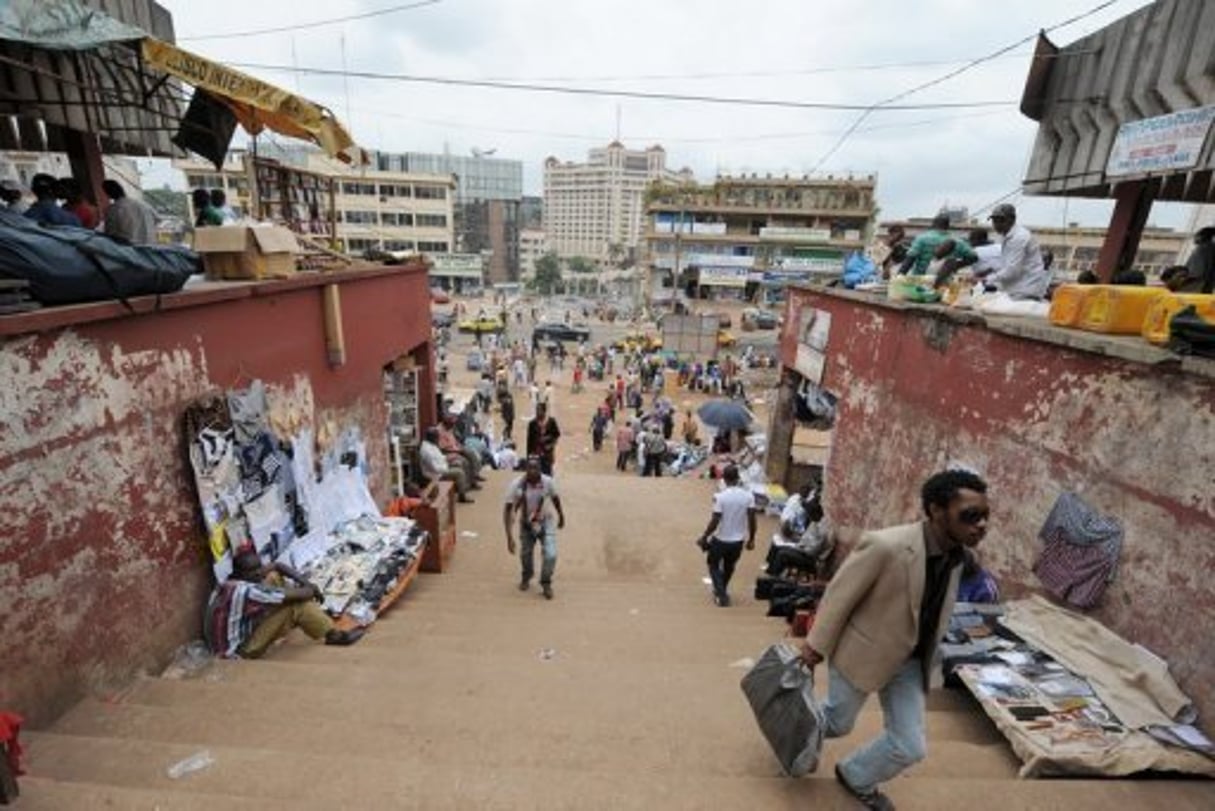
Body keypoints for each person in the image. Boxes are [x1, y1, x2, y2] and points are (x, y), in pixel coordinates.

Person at [800, 469, 989, 811]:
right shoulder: (886, 546)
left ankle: (855, 774)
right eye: (970, 516)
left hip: (911, 664)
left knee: (910, 746)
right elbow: (839, 597)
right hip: (864, 651)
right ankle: (790, 728)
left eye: (985, 517)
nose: (981, 526)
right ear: (935, 510)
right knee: (838, 723)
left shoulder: (960, 558)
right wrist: (814, 646)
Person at [204, 550, 363, 659]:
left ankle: (314, 619)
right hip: (238, 651)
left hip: (226, 640)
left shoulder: (229, 582)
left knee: (273, 577)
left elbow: (277, 566)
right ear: (244, 574)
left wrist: (306, 583)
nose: (260, 573)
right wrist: (311, 588)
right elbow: (305, 594)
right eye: (255, 572)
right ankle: (332, 635)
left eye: (259, 569)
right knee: (297, 606)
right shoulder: (248, 591)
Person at [503, 456, 566, 600]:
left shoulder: (548, 482)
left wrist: (561, 516)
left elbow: (556, 498)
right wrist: (509, 537)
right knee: (525, 554)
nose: (532, 471)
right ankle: (526, 575)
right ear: (525, 470)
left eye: (535, 468)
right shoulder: (516, 485)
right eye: (529, 468)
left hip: (545, 521)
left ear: (540, 469)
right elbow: (507, 510)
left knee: (551, 554)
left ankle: (545, 582)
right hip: (526, 524)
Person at [695, 465, 756, 607]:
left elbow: (715, 520)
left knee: (713, 564)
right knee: (729, 566)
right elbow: (752, 519)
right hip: (738, 541)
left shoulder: (721, 497)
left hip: (721, 539)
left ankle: (721, 594)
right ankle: (721, 589)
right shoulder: (748, 496)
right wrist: (752, 539)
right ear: (738, 478)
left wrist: (704, 536)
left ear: (724, 479)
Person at [983, 203, 1050, 300]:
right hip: (1017, 289)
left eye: (1001, 220)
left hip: (1026, 290)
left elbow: (1012, 270)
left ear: (1012, 219)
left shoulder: (1019, 237)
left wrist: (987, 279)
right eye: (994, 220)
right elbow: (1007, 264)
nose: (996, 224)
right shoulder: (1007, 236)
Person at [420, 426, 475, 503]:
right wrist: (448, 466)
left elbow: (439, 457)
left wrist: (447, 458)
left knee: (459, 463)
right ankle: (462, 496)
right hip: (435, 474)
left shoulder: (431, 445)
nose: (438, 439)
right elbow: (435, 468)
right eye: (437, 437)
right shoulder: (427, 451)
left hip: (441, 467)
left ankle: (462, 488)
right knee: (459, 473)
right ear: (432, 438)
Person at [101, 180, 158, 245]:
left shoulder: (114, 209)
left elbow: (110, 233)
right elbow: (157, 219)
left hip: (129, 250)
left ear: (108, 193)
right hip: (150, 247)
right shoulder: (142, 204)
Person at [526, 402, 561, 476]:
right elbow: (529, 440)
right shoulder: (532, 423)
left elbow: (557, 434)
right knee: (536, 472)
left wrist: (550, 443)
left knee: (547, 472)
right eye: (536, 410)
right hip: (536, 452)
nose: (537, 412)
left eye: (539, 410)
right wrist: (528, 455)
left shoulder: (551, 421)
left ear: (544, 411)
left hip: (547, 452)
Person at [1184, 227, 1215, 294]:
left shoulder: (1204, 248)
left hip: (1197, 284)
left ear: (1203, 236)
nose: (1195, 238)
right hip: (1202, 283)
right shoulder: (1205, 247)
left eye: (1197, 235)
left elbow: (1198, 269)